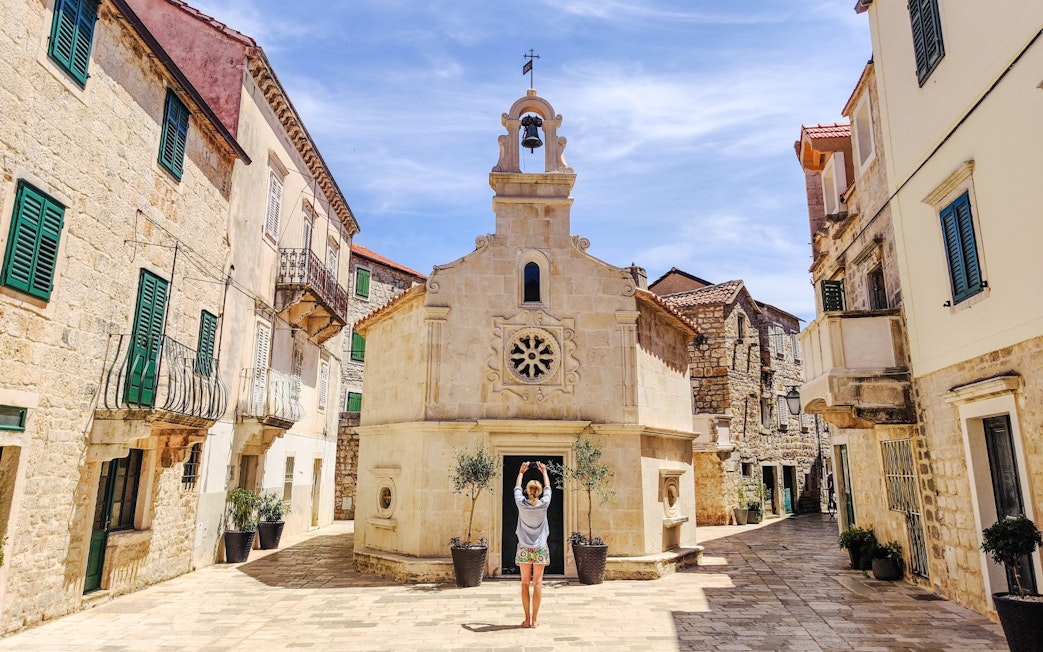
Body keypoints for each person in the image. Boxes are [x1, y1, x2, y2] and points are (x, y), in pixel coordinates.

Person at [514, 461, 551, 628]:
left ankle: (526, 619)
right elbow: (549, 489)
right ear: (540, 492)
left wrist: (522, 472)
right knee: (537, 583)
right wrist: (544, 471)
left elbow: (516, 488)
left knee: (524, 583)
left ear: (527, 491)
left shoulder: (521, 503)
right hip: (540, 548)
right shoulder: (544, 504)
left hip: (524, 548)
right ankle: (535, 619)